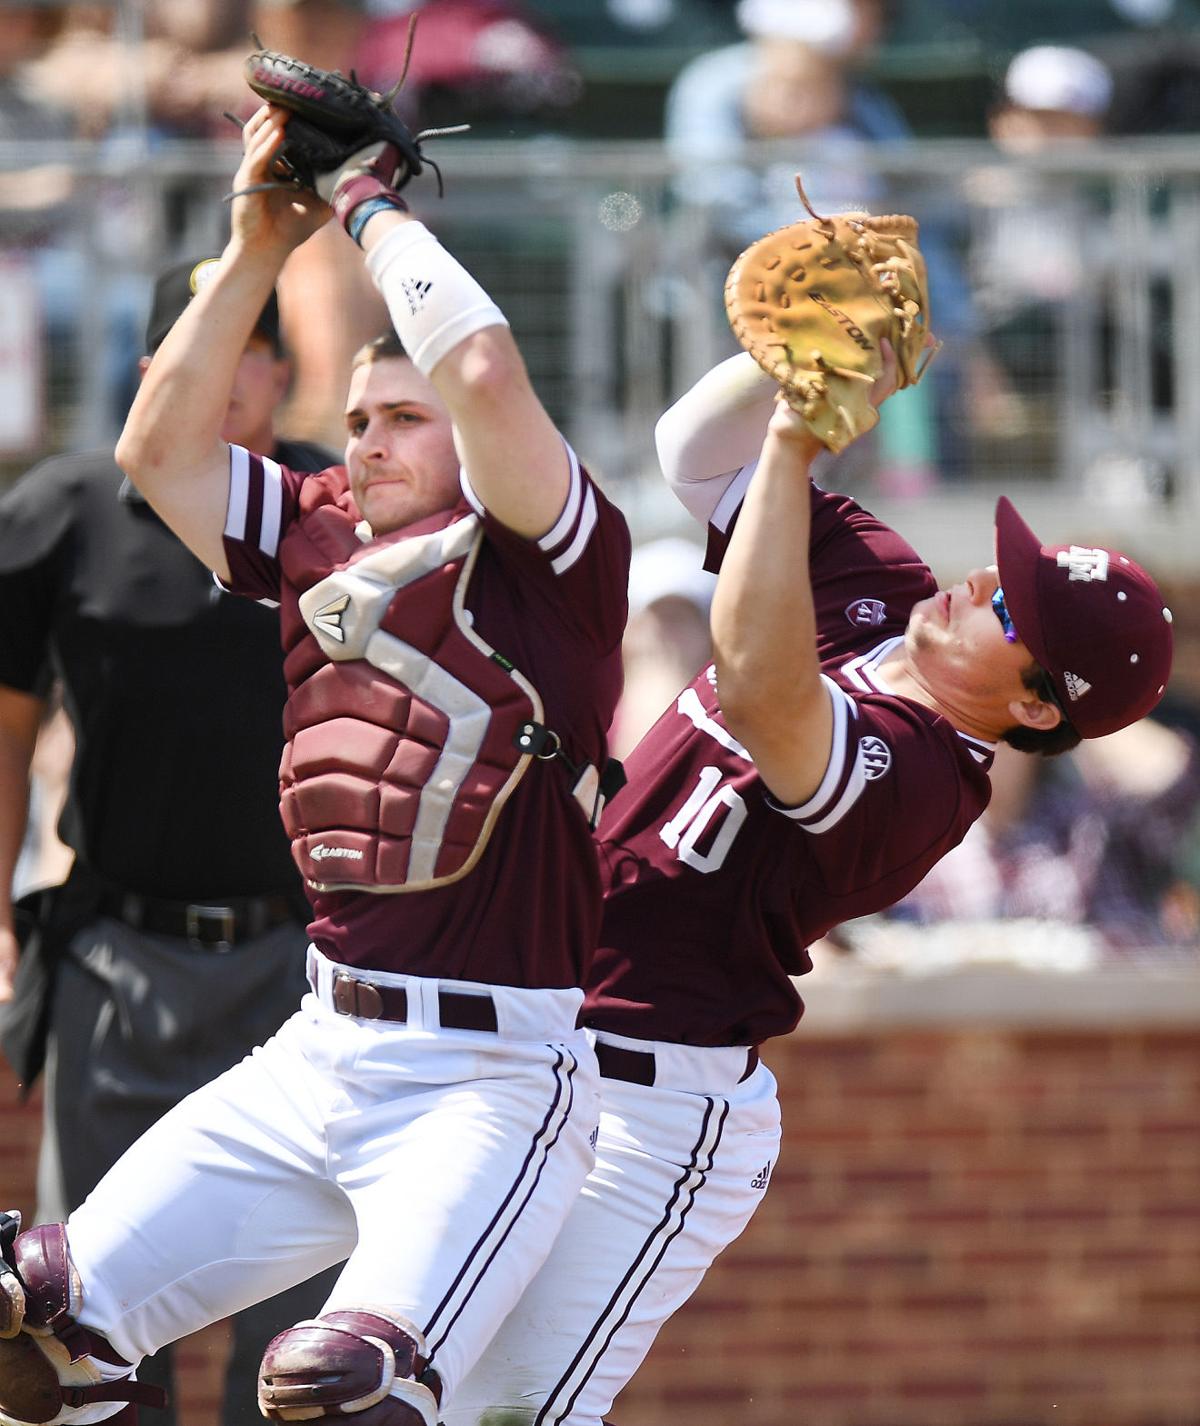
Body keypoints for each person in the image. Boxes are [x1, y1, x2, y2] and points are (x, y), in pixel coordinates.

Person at [0, 95, 629, 1426]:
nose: (367, 441)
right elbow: (154, 450)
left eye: (401, 415)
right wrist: (256, 238)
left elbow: (489, 375)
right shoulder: (318, 530)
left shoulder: (555, 562)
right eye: (355, 417)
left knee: (341, 1387)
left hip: (489, 1080)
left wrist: (365, 205)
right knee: (42, 1325)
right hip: (320, 1042)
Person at [446, 339, 1175, 1426]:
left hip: (653, 1107)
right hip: (527, 1029)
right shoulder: (886, 588)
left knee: (505, 1412)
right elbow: (690, 455)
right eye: (1004, 564)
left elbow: (759, 684)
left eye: (1009, 609)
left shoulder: (927, 781)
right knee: (388, 1371)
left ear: (1034, 706)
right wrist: (783, 374)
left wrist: (798, 441)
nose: (976, 581)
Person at [0, 255, 339, 1426]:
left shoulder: (331, 513)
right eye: (205, 344)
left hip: (300, 969)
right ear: (156, 371)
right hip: (117, 959)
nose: (230, 373)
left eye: (254, 346)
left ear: (284, 376)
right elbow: (6, 720)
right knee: (84, 1315)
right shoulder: (66, 510)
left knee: (294, 1344)